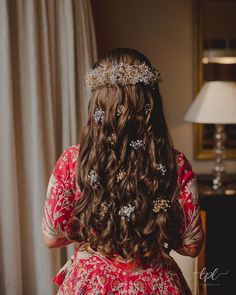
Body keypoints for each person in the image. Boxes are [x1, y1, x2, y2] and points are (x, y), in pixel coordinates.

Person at [41, 48, 204, 294]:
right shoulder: (175, 163)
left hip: (89, 283)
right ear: (150, 103)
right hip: (156, 284)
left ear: (97, 103)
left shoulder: (72, 161)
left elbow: (52, 237)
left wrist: (94, 234)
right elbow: (191, 245)